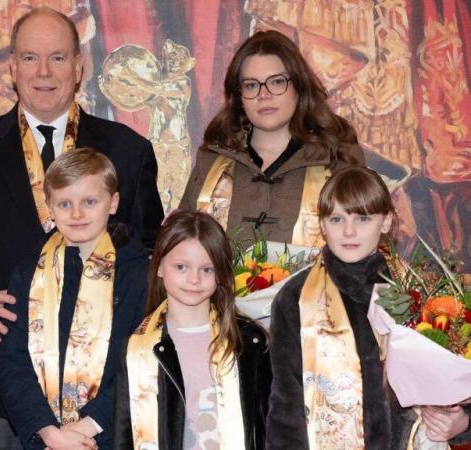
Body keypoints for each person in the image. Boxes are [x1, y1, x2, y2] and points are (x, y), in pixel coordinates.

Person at [0, 7, 163, 448]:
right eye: (29, 58)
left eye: (58, 58)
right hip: (5, 378)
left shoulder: (128, 149)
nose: (43, 72)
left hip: (105, 387)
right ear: (10, 66)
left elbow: (151, 248)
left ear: (80, 67)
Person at [267, 166, 471, 449]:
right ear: (322, 225)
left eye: (363, 218)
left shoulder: (424, 292)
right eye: (337, 218)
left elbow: (456, 375)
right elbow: (286, 405)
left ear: (386, 221)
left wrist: (462, 423)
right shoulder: (295, 298)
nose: (349, 231)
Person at [0, 148, 149, 450]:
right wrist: (48, 431)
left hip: (109, 434)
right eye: (64, 204)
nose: (77, 214)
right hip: (42, 438)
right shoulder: (29, 270)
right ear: (49, 207)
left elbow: (138, 363)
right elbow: (12, 358)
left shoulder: (140, 274)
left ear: (114, 202)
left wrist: (85, 428)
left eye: (89, 202)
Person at [179, 30, 364, 246]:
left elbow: (362, 251)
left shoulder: (339, 161)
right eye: (251, 85)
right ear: (239, 96)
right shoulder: (211, 161)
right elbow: (178, 247)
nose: (263, 95)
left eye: (276, 82)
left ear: (298, 87)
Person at [114, 210, 271, 450]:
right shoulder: (138, 349)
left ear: (220, 274)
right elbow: (125, 435)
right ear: (159, 267)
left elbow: (269, 426)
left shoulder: (249, 342)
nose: (194, 279)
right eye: (181, 267)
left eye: (207, 269)